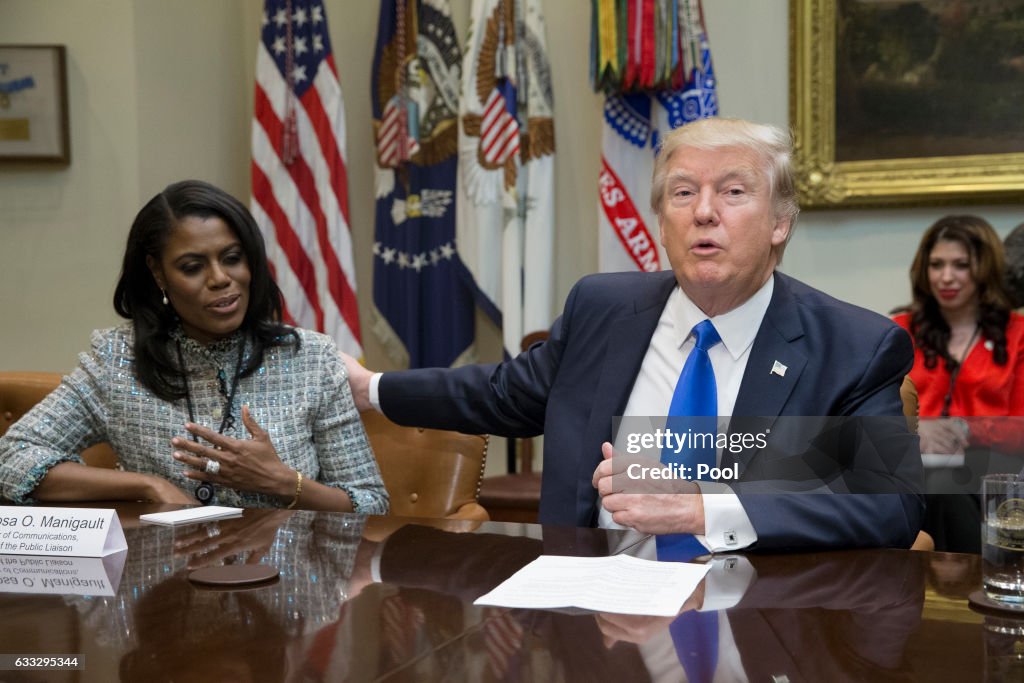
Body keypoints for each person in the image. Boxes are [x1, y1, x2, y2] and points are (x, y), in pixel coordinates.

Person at [344, 117, 922, 550]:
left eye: (734, 192)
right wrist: (371, 388)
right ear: (661, 223)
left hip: (754, 618)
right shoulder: (603, 308)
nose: (704, 212)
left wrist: (703, 508)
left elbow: (890, 507)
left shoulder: (852, 346)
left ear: (779, 223)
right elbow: (501, 393)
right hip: (591, 614)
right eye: (683, 192)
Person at [0, 180, 388, 513]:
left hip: (289, 587)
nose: (221, 279)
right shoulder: (118, 360)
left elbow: (371, 502)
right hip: (164, 585)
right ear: (158, 273)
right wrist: (146, 486)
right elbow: (13, 458)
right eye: (192, 266)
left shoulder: (310, 358)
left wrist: (285, 483)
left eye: (232, 259)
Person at [892, 215, 1024, 551]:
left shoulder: (1017, 334)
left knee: (945, 485)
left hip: (993, 473)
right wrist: (919, 432)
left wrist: (963, 430)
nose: (946, 277)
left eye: (961, 265)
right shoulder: (898, 331)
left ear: (985, 268)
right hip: (912, 469)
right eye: (936, 265)